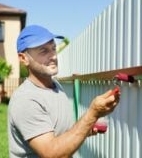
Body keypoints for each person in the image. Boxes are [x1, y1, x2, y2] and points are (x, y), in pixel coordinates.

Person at [8, 25, 120, 158]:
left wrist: (85, 129)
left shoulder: (55, 86)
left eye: (53, 48)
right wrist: (92, 114)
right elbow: (53, 154)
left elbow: (58, 134)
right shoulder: (26, 100)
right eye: (44, 51)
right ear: (23, 58)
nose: (53, 56)